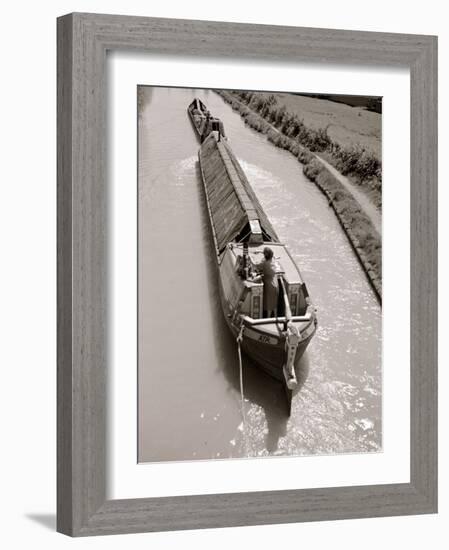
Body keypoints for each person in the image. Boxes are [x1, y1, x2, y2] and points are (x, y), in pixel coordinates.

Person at [254, 247, 279, 318]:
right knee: (274, 304)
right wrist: (259, 251)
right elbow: (268, 254)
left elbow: (255, 265)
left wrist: (250, 259)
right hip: (275, 284)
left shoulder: (264, 262)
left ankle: (268, 318)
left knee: (269, 304)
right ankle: (276, 317)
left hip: (269, 285)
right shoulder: (272, 259)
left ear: (265, 255)